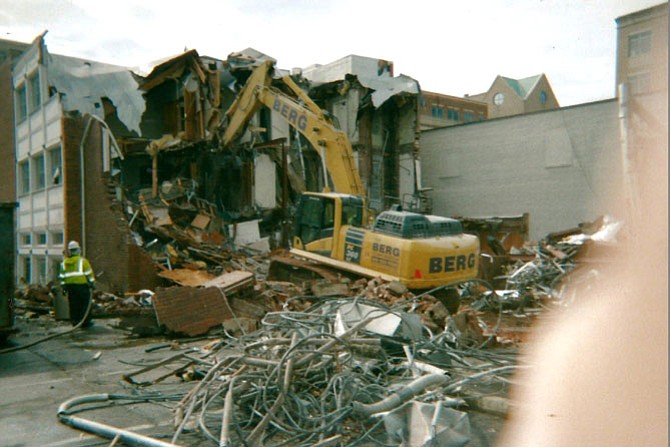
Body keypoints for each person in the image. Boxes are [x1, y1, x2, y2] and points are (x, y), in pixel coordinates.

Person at [58, 240, 96, 327]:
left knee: (73, 305)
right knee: (84, 304)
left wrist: (63, 287)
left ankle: (75, 321)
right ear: (78, 250)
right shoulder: (83, 261)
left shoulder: (64, 263)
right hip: (82, 287)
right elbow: (89, 274)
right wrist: (92, 283)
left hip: (70, 287)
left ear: (70, 251)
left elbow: (61, 277)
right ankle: (85, 322)